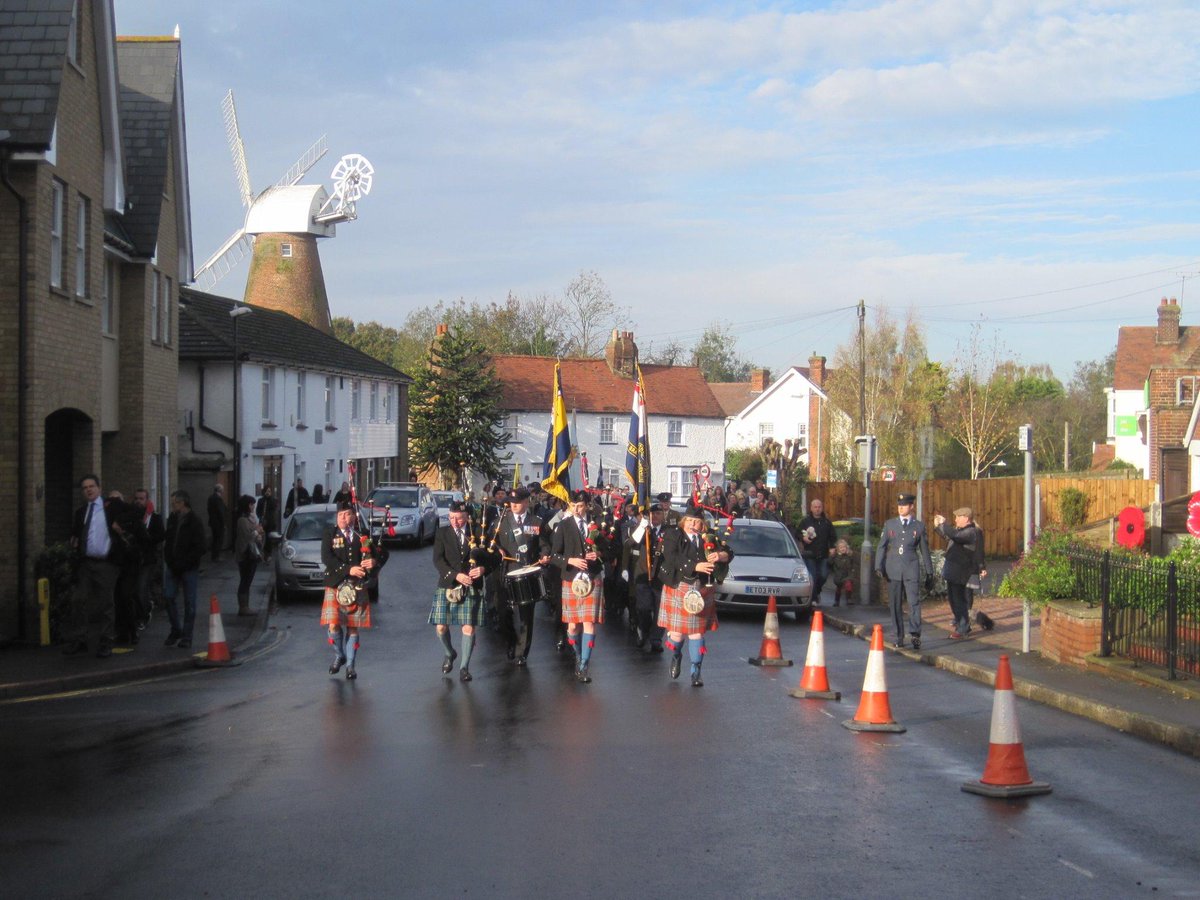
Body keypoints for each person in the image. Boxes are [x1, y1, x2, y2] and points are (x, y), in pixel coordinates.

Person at [657, 507, 733, 686]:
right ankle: (676, 655)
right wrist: (695, 566)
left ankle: (695, 671)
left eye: (696, 521)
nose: (692, 524)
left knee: (696, 634)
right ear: (684, 521)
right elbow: (671, 557)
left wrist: (721, 555)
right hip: (678, 585)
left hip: (702, 589)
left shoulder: (708, 537)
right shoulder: (673, 534)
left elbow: (730, 552)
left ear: (702, 524)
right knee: (676, 635)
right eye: (689, 520)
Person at [62, 475, 128, 658]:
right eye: (85, 488)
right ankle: (79, 639)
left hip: (106, 563)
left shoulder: (110, 507)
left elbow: (132, 514)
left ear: (99, 488)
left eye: (92, 486)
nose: (89, 490)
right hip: (86, 563)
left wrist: (121, 526)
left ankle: (106, 641)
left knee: (105, 603)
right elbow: (75, 533)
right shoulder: (81, 512)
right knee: (79, 600)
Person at [320, 502, 381, 680]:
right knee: (333, 624)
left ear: (354, 516)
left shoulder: (363, 536)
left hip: (357, 586)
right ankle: (339, 655)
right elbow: (326, 558)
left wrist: (374, 562)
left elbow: (377, 554)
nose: (343, 519)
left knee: (353, 627)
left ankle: (350, 666)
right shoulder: (329, 534)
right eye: (340, 515)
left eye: (347, 515)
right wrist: (349, 570)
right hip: (335, 584)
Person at [430, 501, 490, 681]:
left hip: (472, 586)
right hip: (448, 584)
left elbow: (492, 557)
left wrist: (483, 569)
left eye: (459, 518)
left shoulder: (478, 533)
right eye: (452, 518)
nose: (455, 522)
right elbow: (438, 561)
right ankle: (450, 653)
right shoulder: (442, 533)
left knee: (469, 627)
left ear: (467, 517)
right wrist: (455, 576)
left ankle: (464, 668)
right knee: (441, 627)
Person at [550, 489, 606, 683]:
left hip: (592, 576)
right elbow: (554, 556)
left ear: (587, 506)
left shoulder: (597, 524)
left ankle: (584, 664)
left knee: (589, 622)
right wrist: (571, 560)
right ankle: (577, 654)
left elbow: (609, 548)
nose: (576, 509)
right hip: (572, 578)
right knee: (573, 626)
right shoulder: (563, 525)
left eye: (580, 506)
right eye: (573, 505)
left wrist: (598, 555)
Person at [493, 486, 551, 666]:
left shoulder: (537, 522)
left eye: (517, 502)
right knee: (503, 614)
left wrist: (544, 555)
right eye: (511, 502)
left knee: (526, 615)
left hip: (528, 571)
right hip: (507, 571)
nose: (514, 505)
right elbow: (490, 542)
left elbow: (544, 545)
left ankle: (522, 651)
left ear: (526, 502)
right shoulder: (501, 521)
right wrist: (498, 549)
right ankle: (511, 642)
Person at [875, 492, 933, 650]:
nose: (900, 508)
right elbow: (882, 546)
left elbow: (924, 550)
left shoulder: (919, 526)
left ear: (911, 507)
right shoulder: (890, 524)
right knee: (895, 604)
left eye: (904, 506)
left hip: (911, 568)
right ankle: (898, 636)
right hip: (893, 568)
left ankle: (915, 634)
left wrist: (930, 572)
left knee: (914, 602)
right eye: (899, 506)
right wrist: (878, 565)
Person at [933, 507, 988, 639]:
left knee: (959, 600)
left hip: (961, 572)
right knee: (953, 599)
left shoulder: (971, 532)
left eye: (958, 517)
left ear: (966, 518)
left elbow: (955, 536)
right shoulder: (961, 531)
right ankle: (960, 623)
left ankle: (963, 628)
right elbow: (949, 535)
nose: (956, 519)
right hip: (953, 571)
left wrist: (943, 524)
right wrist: (938, 526)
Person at [162, 490, 208, 649]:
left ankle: (187, 636)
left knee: (190, 603)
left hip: (189, 568)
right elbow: (168, 541)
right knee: (168, 597)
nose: (172, 506)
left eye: (174, 503)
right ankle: (176, 629)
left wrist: (185, 562)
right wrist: (169, 560)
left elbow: (200, 547)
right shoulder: (172, 520)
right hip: (173, 566)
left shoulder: (195, 521)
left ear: (182, 503)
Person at [626, 504, 667, 652]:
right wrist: (642, 527)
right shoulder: (643, 530)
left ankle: (656, 639)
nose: (655, 516)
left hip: (661, 577)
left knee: (660, 610)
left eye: (658, 513)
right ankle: (644, 631)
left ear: (663, 515)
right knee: (643, 608)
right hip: (643, 574)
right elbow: (630, 543)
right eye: (652, 514)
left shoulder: (669, 531)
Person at [131, 488, 165, 630]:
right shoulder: (132, 516)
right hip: (133, 559)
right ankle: (140, 611)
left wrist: (147, 538)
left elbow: (161, 535)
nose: (138, 501)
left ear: (147, 500)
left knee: (141, 588)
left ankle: (143, 616)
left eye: (141, 499)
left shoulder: (155, 518)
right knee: (134, 590)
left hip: (148, 559)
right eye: (136, 498)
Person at [798, 499, 838, 604]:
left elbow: (833, 537)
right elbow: (797, 533)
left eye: (819, 507)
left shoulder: (827, 522)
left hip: (823, 554)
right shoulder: (806, 521)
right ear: (811, 508)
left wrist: (832, 547)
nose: (817, 509)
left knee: (824, 575)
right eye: (815, 507)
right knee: (813, 577)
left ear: (822, 508)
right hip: (810, 554)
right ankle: (814, 599)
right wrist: (803, 538)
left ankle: (817, 591)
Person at [233, 494, 264, 617]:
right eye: (251, 504)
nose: (253, 507)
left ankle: (245, 606)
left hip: (249, 555)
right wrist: (257, 531)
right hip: (245, 555)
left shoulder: (247, 519)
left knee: (247, 581)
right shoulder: (242, 520)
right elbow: (247, 537)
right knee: (245, 581)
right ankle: (243, 607)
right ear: (247, 505)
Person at [829, 539, 856, 607]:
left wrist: (850, 554)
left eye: (844, 547)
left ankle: (849, 599)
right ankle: (837, 601)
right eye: (841, 547)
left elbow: (852, 564)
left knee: (848, 585)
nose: (843, 549)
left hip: (847, 575)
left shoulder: (849, 556)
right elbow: (830, 563)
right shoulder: (835, 556)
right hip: (839, 575)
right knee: (839, 588)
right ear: (837, 549)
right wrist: (831, 555)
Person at [207, 484, 228, 561]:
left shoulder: (210, 498)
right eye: (222, 489)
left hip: (213, 522)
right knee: (219, 539)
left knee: (215, 539)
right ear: (219, 490)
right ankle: (216, 556)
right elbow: (221, 512)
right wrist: (223, 523)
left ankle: (214, 555)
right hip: (218, 523)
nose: (223, 491)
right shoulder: (218, 499)